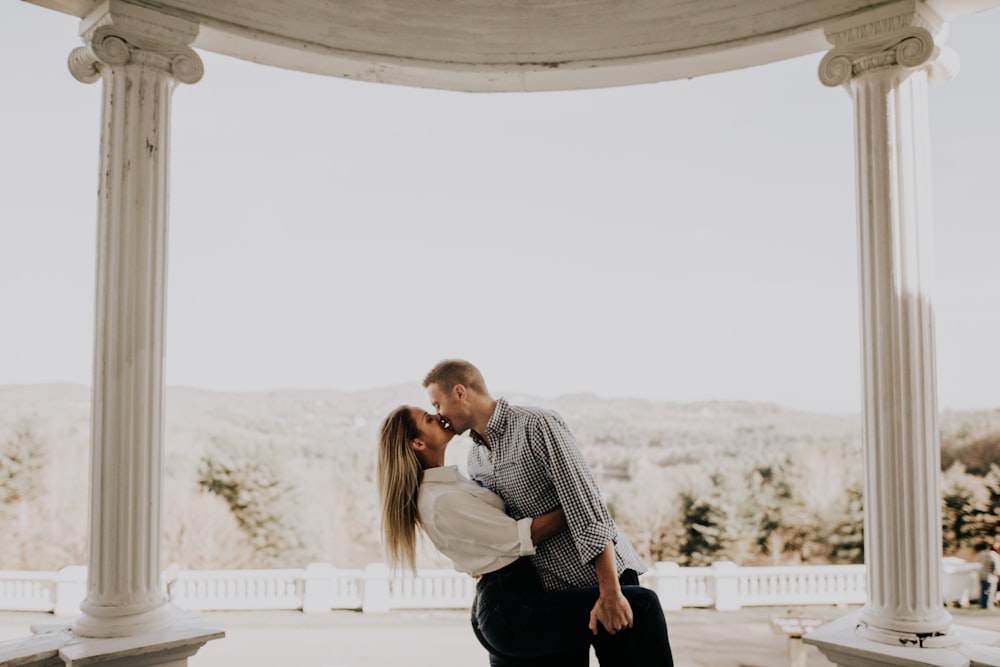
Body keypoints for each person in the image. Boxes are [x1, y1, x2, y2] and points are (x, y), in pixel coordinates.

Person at [378, 405, 673, 666]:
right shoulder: (439, 498)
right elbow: (524, 535)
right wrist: (580, 498)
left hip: (514, 599)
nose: (439, 417)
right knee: (642, 606)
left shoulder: (449, 484)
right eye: (429, 418)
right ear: (417, 442)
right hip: (513, 606)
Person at [977, 539, 1000, 609]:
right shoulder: (994, 555)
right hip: (991, 576)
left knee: (983, 591)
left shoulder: (981, 553)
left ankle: (982, 604)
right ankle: (989, 605)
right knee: (990, 591)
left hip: (981, 574)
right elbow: (997, 567)